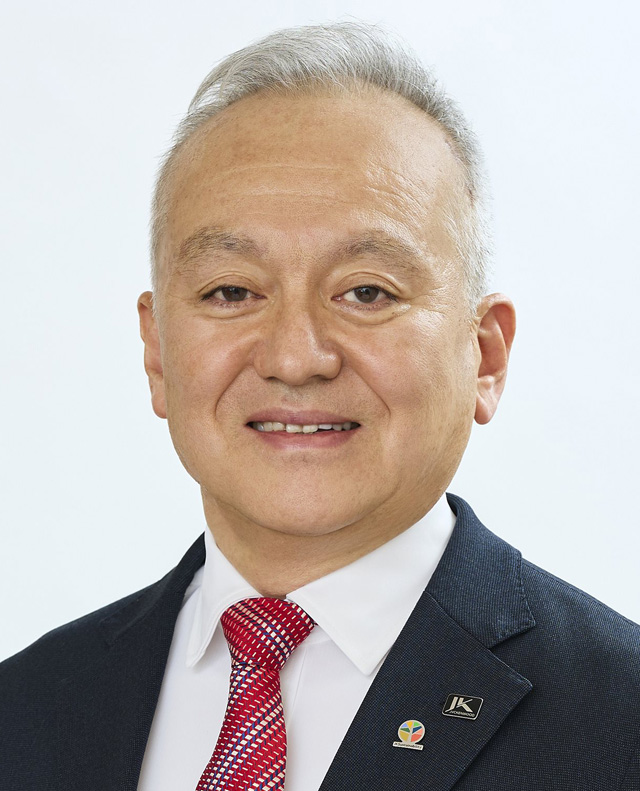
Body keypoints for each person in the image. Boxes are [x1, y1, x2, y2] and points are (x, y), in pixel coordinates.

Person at [1, 21, 639, 791]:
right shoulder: (24, 710)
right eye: (230, 291)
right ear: (158, 350)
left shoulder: (620, 721)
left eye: (366, 292)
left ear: (486, 355)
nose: (296, 358)